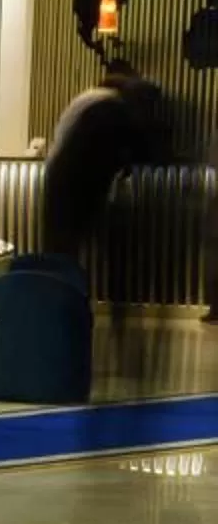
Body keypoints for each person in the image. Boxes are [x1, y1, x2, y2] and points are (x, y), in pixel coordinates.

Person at [40, 57, 177, 350]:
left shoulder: (93, 103)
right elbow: (149, 152)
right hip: (83, 195)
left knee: (62, 263)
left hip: (61, 190)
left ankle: (57, 328)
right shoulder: (117, 113)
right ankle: (111, 332)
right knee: (111, 265)